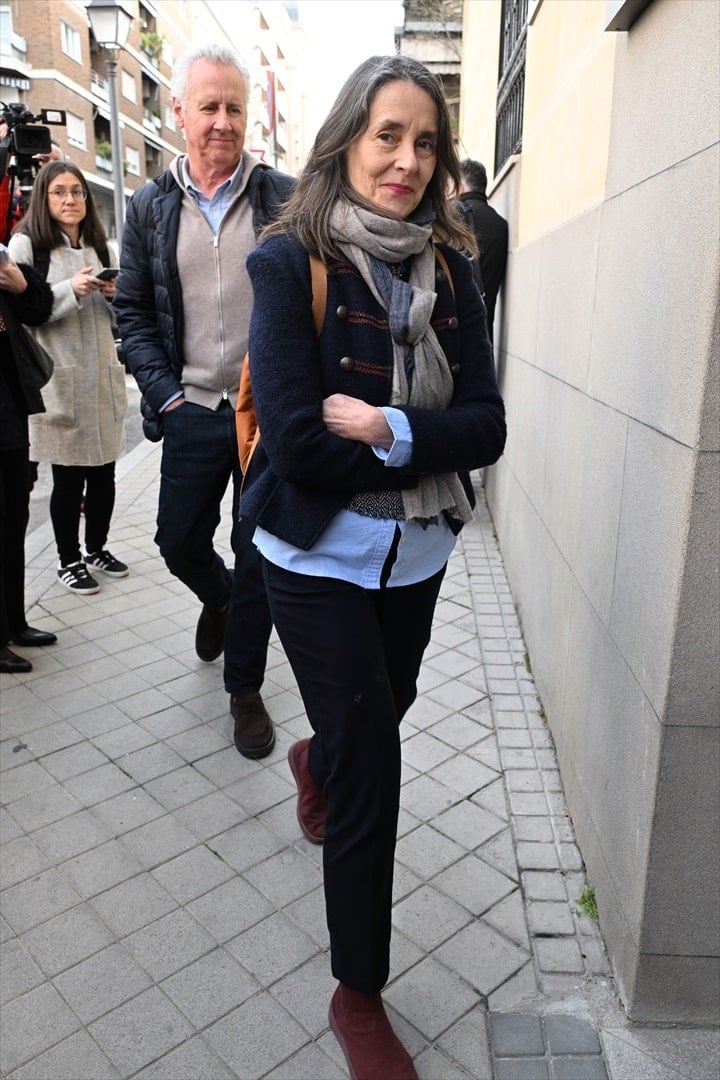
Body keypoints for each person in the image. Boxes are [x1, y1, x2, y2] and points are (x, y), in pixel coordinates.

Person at [242, 55, 506, 1079]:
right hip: (314, 558)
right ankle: (357, 995)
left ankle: (317, 760)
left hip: (416, 555)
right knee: (377, 773)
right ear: (347, 137)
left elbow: (486, 428)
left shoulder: (453, 270)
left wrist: (391, 426)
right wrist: (422, 441)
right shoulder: (289, 261)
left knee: (378, 718)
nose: (405, 159)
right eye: (386, 135)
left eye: (424, 142)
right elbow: (299, 446)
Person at [114, 44, 294, 759]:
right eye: (209, 106)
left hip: (265, 417)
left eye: (234, 108)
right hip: (188, 408)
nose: (222, 121)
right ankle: (218, 599)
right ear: (179, 111)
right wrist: (165, 397)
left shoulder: (282, 199)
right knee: (177, 540)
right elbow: (132, 312)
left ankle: (244, 689)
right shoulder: (150, 206)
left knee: (259, 555)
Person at [9, 162, 129, 595]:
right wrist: (67, 290)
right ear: (43, 197)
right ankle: (68, 559)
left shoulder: (102, 246)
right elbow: (22, 311)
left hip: (102, 377)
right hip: (58, 378)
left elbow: (123, 317)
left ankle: (97, 548)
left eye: (77, 191)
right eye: (59, 192)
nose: (70, 200)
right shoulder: (27, 245)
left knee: (105, 473)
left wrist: (115, 295)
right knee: (68, 477)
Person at [0, 249, 56, 673]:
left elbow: (39, 309)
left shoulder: (3, 262)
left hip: (10, 410)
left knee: (14, 517)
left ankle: (14, 623)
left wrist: (21, 286)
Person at [457, 158, 508, 341]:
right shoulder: (500, 224)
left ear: (461, 185)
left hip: (455, 331)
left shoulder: (451, 216)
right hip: (485, 331)